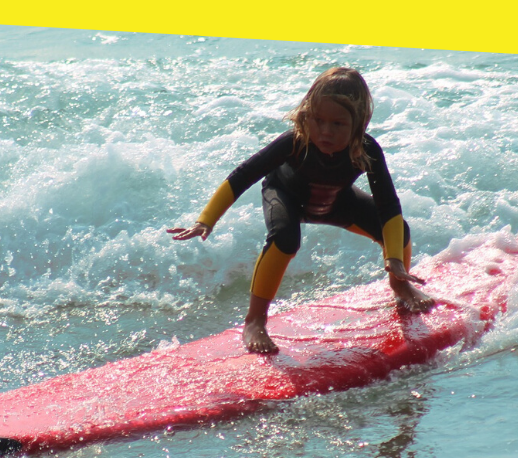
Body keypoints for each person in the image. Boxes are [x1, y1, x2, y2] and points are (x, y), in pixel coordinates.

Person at [168, 67, 434, 355]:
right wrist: (206, 220)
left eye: (338, 123)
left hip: (337, 203)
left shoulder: (367, 150)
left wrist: (394, 258)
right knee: (285, 238)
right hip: (286, 196)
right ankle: (255, 320)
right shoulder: (294, 142)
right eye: (318, 120)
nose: (325, 131)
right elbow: (243, 175)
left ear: (359, 124)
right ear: (307, 115)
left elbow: (388, 205)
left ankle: (401, 286)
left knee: (398, 230)